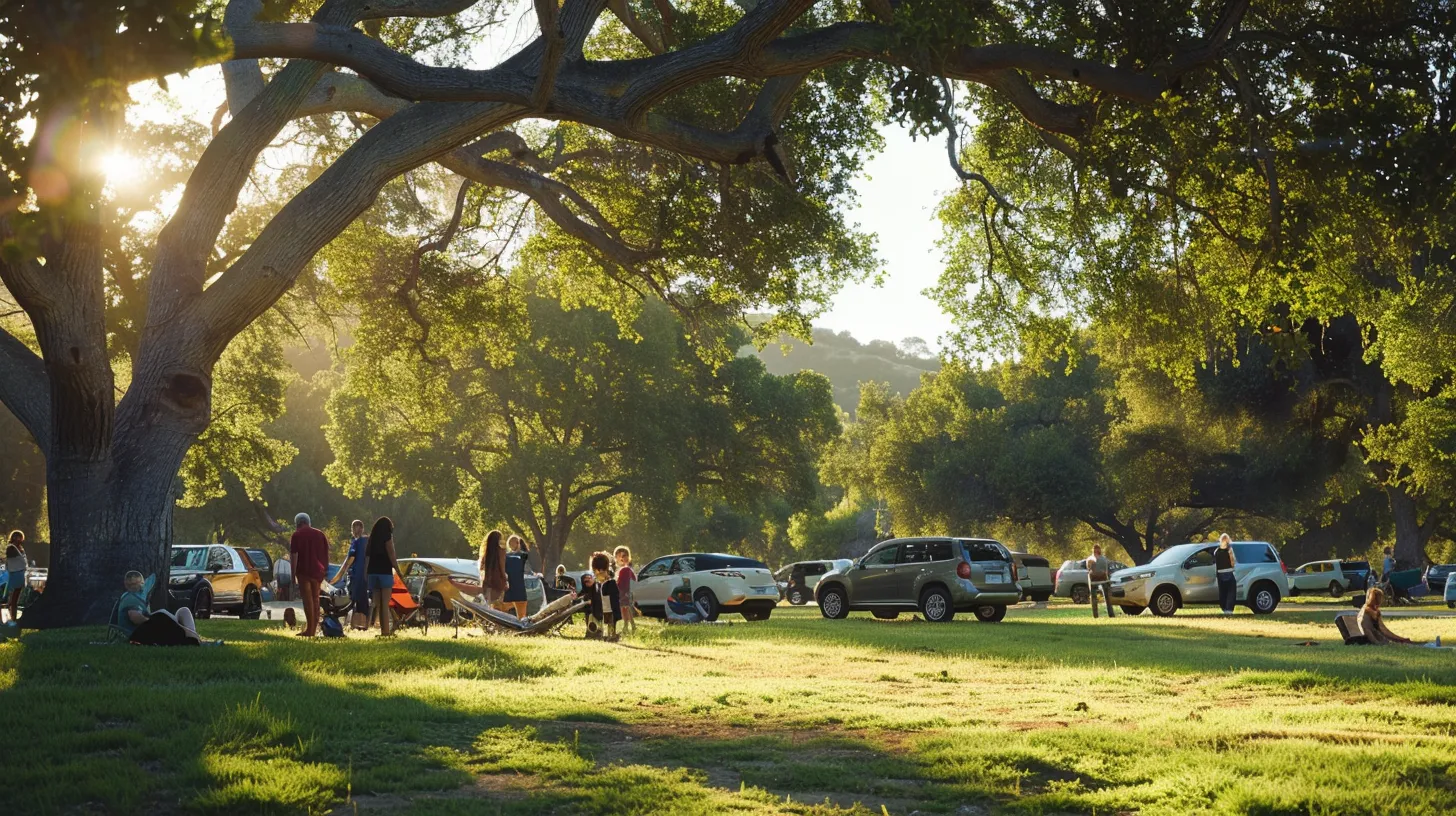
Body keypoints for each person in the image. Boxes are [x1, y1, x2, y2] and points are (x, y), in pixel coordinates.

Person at [118, 571, 220, 646]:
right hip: (137, 634)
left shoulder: (137, 596)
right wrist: (152, 621)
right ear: (127, 585)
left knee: (183, 611)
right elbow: (134, 617)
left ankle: (193, 638)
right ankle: (193, 639)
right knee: (161, 615)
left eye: (139, 583)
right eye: (133, 584)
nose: (138, 586)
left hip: (146, 629)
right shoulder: (130, 598)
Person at [289, 513, 330, 637]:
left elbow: (294, 556)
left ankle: (310, 630)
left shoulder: (296, 535)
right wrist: (325, 570)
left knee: (308, 601)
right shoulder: (320, 534)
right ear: (308, 522)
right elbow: (326, 554)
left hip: (303, 571)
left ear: (297, 523)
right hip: (318, 572)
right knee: (315, 599)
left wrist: (293, 575)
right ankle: (313, 629)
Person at [363, 516, 404, 636]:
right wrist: (398, 570)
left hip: (373, 573)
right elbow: (391, 554)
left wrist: (366, 573)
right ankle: (386, 632)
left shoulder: (372, 539)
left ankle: (383, 630)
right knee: (385, 604)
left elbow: (367, 557)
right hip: (384, 573)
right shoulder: (387, 537)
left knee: (378, 604)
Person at [332, 519, 370, 630]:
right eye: (353, 527)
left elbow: (350, 558)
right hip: (365, 576)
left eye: (356, 527)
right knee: (363, 601)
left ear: (361, 529)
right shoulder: (367, 541)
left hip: (357, 576)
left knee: (353, 600)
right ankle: (364, 624)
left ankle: (353, 625)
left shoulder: (356, 542)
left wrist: (339, 575)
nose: (354, 530)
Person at [1356, 587, 1420, 645]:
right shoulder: (1368, 612)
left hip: (1378, 637)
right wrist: (1377, 643)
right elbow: (1368, 629)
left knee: (1404, 642)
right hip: (1376, 639)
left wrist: (1400, 638)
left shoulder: (1371, 611)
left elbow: (1384, 629)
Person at [592, 551, 619, 641]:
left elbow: (610, 603)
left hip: (609, 608)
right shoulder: (606, 582)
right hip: (608, 608)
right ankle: (609, 635)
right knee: (608, 619)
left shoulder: (608, 583)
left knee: (609, 619)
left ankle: (611, 635)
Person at [478, 530, 507, 608]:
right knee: (500, 609)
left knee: (489, 608)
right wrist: (505, 581)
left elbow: (481, 569)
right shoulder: (501, 551)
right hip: (498, 582)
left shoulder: (485, 553)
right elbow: (502, 567)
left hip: (487, 583)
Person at [503, 535, 530, 617]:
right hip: (519, 589)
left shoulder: (505, 556)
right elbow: (529, 570)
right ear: (518, 543)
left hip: (508, 589)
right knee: (521, 616)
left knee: (501, 611)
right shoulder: (524, 555)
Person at [1085, 543, 1115, 619]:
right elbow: (1109, 568)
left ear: (1093, 550)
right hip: (1104, 580)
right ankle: (1111, 615)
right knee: (1108, 598)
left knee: (1094, 598)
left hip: (1093, 581)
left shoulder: (1089, 559)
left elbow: (1088, 569)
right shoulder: (1104, 559)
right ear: (1100, 550)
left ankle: (1095, 616)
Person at [5, 530, 26, 623]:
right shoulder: (11, 548)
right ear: (14, 537)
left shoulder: (20, 547)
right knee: (13, 597)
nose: (20, 539)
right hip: (15, 573)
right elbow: (13, 559)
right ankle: (11, 616)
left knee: (16, 596)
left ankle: (13, 616)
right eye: (18, 537)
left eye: (20, 537)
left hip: (20, 573)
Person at [615, 546, 636, 635]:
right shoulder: (626, 569)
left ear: (628, 557)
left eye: (624, 556)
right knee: (625, 608)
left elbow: (622, 582)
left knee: (626, 608)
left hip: (625, 592)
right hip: (626, 591)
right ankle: (628, 625)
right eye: (620, 556)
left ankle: (628, 625)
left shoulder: (626, 569)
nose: (622, 558)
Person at [1214, 534, 1238, 615]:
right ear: (1228, 540)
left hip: (1220, 573)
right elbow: (1232, 562)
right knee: (1231, 592)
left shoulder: (1216, 551)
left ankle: (1224, 608)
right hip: (1228, 572)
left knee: (1222, 592)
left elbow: (1215, 563)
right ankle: (1229, 609)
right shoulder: (1229, 549)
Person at [579, 570, 604, 637]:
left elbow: (597, 599)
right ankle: (591, 631)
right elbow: (581, 595)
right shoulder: (586, 588)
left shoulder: (596, 587)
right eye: (586, 581)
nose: (588, 582)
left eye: (589, 579)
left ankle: (596, 632)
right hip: (589, 608)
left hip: (597, 608)